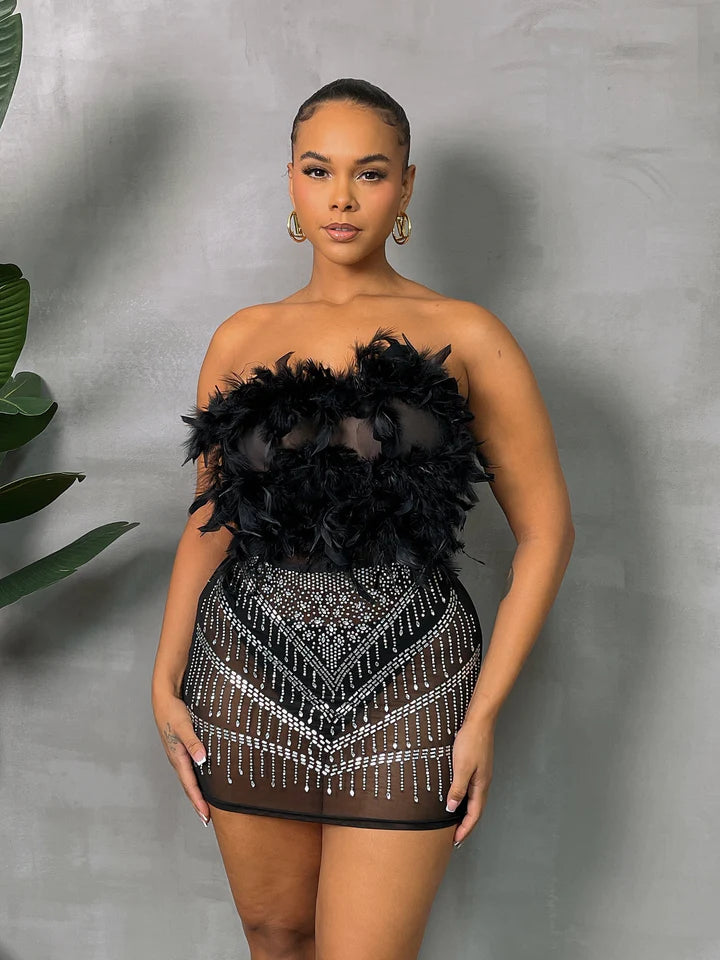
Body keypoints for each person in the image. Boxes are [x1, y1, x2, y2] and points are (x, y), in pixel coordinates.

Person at [151, 77, 574, 960]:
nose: (341, 198)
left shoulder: (467, 333)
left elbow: (547, 533)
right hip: (247, 671)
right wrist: (165, 675)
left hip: (411, 680)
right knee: (277, 937)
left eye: (369, 173)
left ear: (406, 186)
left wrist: (483, 713)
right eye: (319, 171)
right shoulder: (240, 336)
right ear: (291, 182)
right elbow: (210, 520)